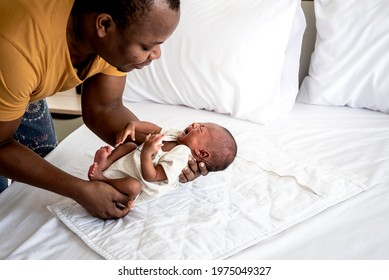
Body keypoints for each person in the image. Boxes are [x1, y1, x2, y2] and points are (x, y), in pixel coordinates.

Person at [0, 0, 207, 219]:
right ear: (104, 25)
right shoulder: (17, 48)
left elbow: (105, 108)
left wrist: (165, 154)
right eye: (146, 46)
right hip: (11, 67)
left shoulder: (110, 30)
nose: (156, 54)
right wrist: (79, 189)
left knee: (41, 167)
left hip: (17, 85)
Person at [88, 121, 237, 207]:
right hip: (131, 164)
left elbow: (151, 176)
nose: (195, 124)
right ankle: (105, 163)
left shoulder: (181, 155)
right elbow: (155, 129)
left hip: (138, 184)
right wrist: (134, 125)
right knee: (130, 146)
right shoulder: (177, 136)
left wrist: (146, 153)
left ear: (202, 153)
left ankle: (101, 178)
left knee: (133, 186)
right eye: (199, 123)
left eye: (200, 129)